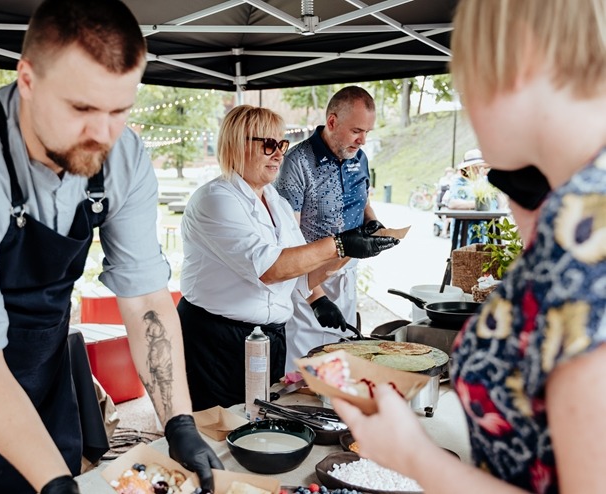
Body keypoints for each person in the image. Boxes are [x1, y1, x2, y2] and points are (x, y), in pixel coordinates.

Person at [0, 1, 221, 492]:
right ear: (27, 80)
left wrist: (179, 422)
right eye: (81, 108)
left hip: (38, 369)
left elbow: (144, 299)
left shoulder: (122, 157)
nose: (102, 134)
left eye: (119, 110)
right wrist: (54, 481)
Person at [333, 1, 606, 493]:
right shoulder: (574, 204)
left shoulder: (586, 247)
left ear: (518, 60)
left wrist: (411, 455)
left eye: (466, 83)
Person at [177, 105, 399, 411]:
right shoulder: (216, 199)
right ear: (238, 144)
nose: (279, 154)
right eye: (269, 145)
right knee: (218, 428)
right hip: (216, 339)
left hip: (268, 338)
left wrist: (325, 289)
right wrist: (339, 244)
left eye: (281, 145)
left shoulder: (275, 201)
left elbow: (301, 268)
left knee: (261, 420)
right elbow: (270, 268)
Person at [274, 86, 390, 368]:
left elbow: (362, 201)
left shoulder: (358, 157)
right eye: (356, 131)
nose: (362, 140)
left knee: (339, 366)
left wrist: (372, 222)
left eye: (367, 132)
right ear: (332, 122)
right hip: (306, 283)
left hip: (347, 274)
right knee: (302, 373)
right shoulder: (297, 162)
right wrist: (316, 299)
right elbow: (288, 240)